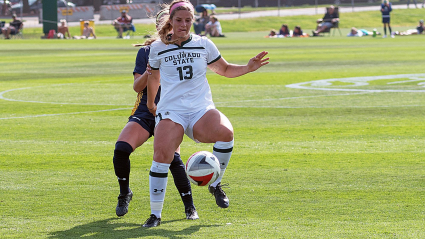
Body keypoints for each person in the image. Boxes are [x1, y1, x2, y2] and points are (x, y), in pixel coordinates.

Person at [143, 0, 269, 228]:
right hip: (172, 110)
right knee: (161, 155)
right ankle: (155, 215)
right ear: (170, 21)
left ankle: (215, 183)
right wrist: (152, 103)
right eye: (179, 20)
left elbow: (225, 69)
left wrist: (248, 67)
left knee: (226, 133)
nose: (183, 24)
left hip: (200, 108)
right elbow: (153, 78)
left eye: (188, 20)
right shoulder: (158, 48)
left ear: (193, 21)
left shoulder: (204, 44)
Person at [112, 8, 199, 221]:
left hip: (171, 112)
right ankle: (125, 193)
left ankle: (190, 207)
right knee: (121, 149)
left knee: (173, 159)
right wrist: (149, 71)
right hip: (145, 112)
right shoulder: (146, 52)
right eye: (165, 24)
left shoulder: (186, 50)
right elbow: (137, 86)